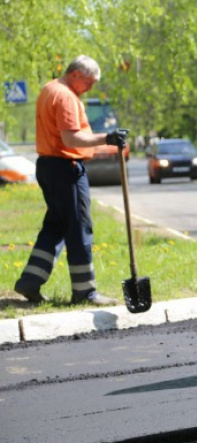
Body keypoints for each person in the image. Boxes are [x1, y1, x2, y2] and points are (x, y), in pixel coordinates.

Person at [14, 55, 127, 306]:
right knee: (79, 227)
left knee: (56, 225)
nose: (90, 88)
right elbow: (71, 139)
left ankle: (30, 282)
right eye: (89, 83)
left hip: (49, 166)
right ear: (75, 74)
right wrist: (106, 138)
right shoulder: (65, 96)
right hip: (66, 168)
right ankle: (85, 292)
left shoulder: (49, 89)